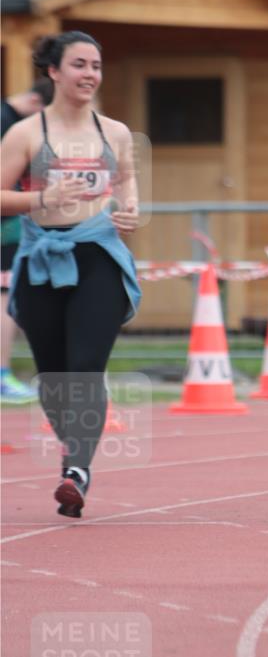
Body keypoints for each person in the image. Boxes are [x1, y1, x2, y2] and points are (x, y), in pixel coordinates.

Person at [0, 31, 141, 517]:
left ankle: (76, 468)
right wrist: (42, 199)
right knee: (53, 379)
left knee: (85, 369)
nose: (90, 75)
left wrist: (128, 211)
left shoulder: (115, 132)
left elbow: (127, 185)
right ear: (54, 72)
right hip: (41, 258)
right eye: (79, 65)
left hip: (96, 256)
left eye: (96, 66)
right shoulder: (26, 133)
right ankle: (72, 451)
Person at [1, 77, 53, 403]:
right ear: (37, 103)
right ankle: (2, 375)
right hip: (6, 226)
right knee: (5, 297)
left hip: (13, 224)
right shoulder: (11, 127)